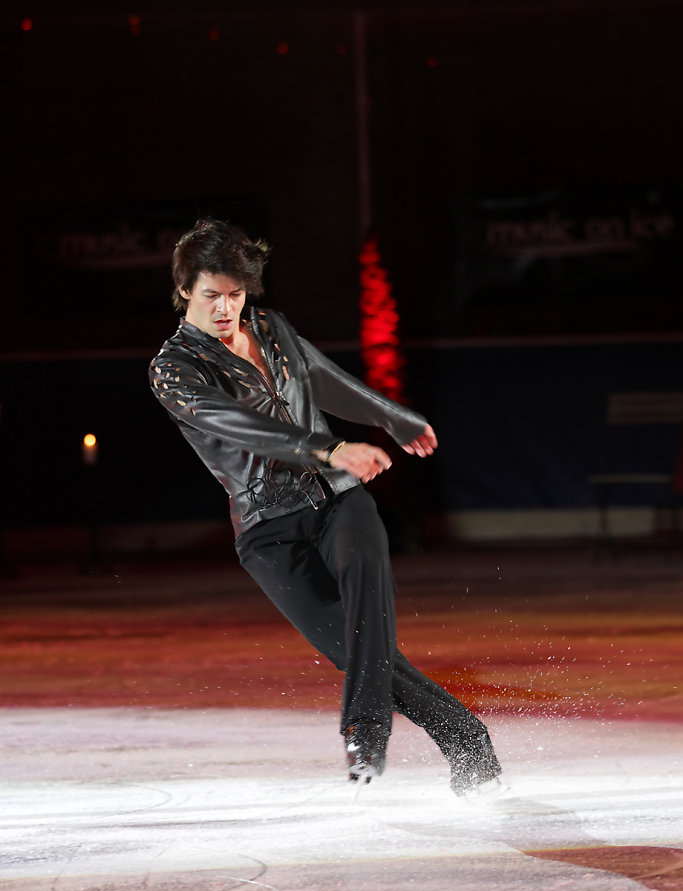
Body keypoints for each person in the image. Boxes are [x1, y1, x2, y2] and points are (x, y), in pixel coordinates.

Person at [149, 218, 502, 793]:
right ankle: (466, 738)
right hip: (267, 530)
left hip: (338, 500)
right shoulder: (173, 369)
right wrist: (329, 446)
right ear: (186, 288)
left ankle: (366, 731)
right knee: (353, 647)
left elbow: (323, 379)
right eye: (212, 294)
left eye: (236, 295)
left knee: (367, 588)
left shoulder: (272, 328)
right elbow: (241, 427)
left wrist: (389, 414)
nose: (225, 308)